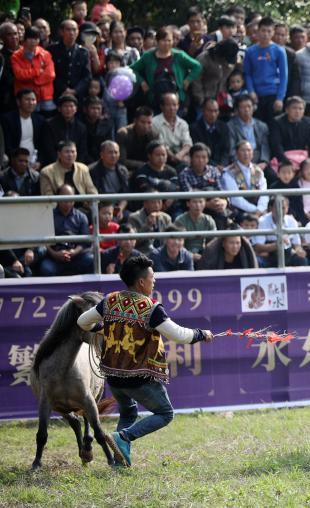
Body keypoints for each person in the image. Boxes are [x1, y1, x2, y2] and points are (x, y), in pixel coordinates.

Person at [77, 255, 214, 467]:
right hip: (138, 378)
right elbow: (179, 335)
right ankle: (123, 438)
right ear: (142, 282)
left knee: (129, 411)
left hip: (113, 377)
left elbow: (82, 321)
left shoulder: (110, 301)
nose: (154, 281)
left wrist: (101, 328)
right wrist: (201, 334)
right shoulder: (150, 308)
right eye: (152, 278)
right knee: (165, 413)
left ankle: (118, 462)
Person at [130, 26, 202, 111]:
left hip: (176, 101)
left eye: (169, 40)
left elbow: (197, 66)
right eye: (164, 40)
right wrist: (142, 82)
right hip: (155, 100)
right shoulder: (148, 56)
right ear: (157, 41)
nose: (167, 43)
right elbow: (132, 69)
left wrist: (188, 80)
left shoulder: (179, 55)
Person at [39, 184, 95, 276]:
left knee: (91, 260)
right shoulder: (48, 216)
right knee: (46, 268)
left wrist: (74, 252)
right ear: (58, 198)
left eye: (70, 197)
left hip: (76, 256)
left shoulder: (81, 217)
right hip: (54, 257)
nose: (67, 201)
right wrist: (55, 254)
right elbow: (43, 240)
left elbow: (85, 242)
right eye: (64, 197)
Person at [243, 17, 288, 124]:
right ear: (258, 31)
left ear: (273, 33)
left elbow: (284, 76)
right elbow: (247, 73)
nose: (265, 34)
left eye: (269, 31)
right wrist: (251, 91)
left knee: (273, 126)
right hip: (256, 95)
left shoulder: (279, 51)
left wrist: (280, 98)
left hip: (272, 93)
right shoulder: (250, 51)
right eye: (263, 30)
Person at [251, 196, 307, 267]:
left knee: (301, 260)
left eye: (283, 208)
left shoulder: (292, 221)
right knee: (258, 261)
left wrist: (299, 251)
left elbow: (297, 245)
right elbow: (258, 247)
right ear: (271, 208)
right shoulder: (262, 221)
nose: (280, 211)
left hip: (287, 253)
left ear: (287, 208)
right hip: (269, 255)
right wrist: (277, 245)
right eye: (277, 207)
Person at [10, 27, 55, 113]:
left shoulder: (45, 54)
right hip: (25, 98)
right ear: (25, 40)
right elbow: (19, 75)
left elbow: (50, 75)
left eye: (36, 39)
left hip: (45, 97)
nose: (33, 41)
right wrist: (37, 71)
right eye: (30, 38)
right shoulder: (16, 56)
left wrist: (33, 81)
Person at [190, 39, 239, 115]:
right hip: (204, 98)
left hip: (221, 99)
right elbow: (196, 79)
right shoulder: (204, 58)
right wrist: (200, 98)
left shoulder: (232, 55)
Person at [222, 140, 269, 217]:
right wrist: (255, 210)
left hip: (260, 210)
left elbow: (264, 193)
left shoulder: (258, 171)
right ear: (237, 153)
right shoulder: (228, 172)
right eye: (243, 150)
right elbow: (235, 199)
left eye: (249, 150)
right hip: (239, 210)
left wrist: (260, 209)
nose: (246, 153)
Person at [39, 94, 88, 166]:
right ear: (59, 108)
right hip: (53, 164)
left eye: (71, 106)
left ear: (76, 109)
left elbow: (82, 150)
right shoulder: (49, 124)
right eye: (65, 106)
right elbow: (48, 148)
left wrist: (76, 165)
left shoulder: (81, 127)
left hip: (75, 165)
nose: (68, 109)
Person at [48, 20, 91, 100]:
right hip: (58, 93)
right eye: (68, 29)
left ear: (78, 32)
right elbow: (51, 74)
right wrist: (64, 89)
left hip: (77, 95)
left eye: (74, 30)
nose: (71, 33)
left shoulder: (83, 52)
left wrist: (75, 91)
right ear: (61, 32)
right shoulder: (52, 50)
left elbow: (87, 76)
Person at [269, 96, 310, 166]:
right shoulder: (277, 122)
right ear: (287, 110)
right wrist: (285, 162)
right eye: (294, 108)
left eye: (300, 109)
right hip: (284, 157)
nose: (297, 111)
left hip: (302, 157)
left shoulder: (308, 122)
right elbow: (276, 145)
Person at [1, 89, 45, 165]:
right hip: (14, 161)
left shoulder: (40, 120)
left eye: (33, 100)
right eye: (27, 100)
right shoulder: (8, 119)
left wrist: (40, 161)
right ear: (18, 102)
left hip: (34, 161)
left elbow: (43, 144)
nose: (31, 103)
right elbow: (7, 144)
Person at [227, 95, 271, 166]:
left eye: (249, 106)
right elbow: (232, 149)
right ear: (237, 110)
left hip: (259, 160)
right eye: (243, 107)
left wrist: (264, 162)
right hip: (240, 161)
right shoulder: (231, 126)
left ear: (253, 108)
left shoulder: (262, 126)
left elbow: (265, 146)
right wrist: (241, 164)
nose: (247, 110)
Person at [152, 92, 192, 168]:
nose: (172, 108)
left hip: (181, 156)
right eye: (168, 105)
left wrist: (180, 155)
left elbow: (187, 144)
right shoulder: (155, 122)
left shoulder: (183, 123)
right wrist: (174, 157)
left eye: (174, 105)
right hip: (163, 157)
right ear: (162, 106)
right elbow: (160, 144)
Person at [89, 141, 129, 217]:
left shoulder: (123, 171)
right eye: (110, 152)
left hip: (118, 208)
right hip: (100, 208)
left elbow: (126, 194)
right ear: (102, 155)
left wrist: (120, 209)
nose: (113, 155)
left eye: (116, 152)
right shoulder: (92, 170)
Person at [189, 98, 231, 168]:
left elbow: (226, 150)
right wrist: (215, 166)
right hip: (203, 165)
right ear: (203, 111)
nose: (213, 114)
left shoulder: (224, 127)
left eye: (216, 111)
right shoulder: (194, 128)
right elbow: (197, 151)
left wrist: (222, 165)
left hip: (222, 166)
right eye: (210, 111)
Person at [116, 106, 159, 173]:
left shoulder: (154, 134)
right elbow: (121, 160)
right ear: (135, 121)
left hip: (148, 169)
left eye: (149, 123)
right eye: (142, 122)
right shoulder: (123, 134)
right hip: (126, 169)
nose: (145, 126)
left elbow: (156, 156)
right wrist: (145, 165)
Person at [83, 96, 115, 164]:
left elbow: (109, 144)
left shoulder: (107, 124)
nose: (96, 111)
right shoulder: (81, 125)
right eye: (93, 108)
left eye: (98, 108)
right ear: (85, 109)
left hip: (102, 159)